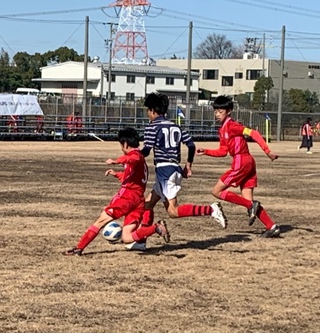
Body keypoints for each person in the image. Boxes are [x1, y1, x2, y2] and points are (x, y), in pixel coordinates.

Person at [64, 127, 168, 256]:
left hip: (127, 198)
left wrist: (116, 161)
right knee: (127, 238)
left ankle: (79, 248)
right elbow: (130, 176)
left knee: (100, 221)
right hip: (138, 200)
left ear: (125, 144)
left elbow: (132, 159)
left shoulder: (135, 156)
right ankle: (155, 228)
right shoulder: (140, 158)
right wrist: (116, 174)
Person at [139, 93, 228, 239]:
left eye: (148, 111)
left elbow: (146, 150)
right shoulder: (176, 126)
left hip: (164, 171)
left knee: (173, 212)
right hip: (174, 169)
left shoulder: (152, 127)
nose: (148, 114)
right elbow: (191, 145)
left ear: (153, 110)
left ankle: (211, 210)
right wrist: (188, 166)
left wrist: (131, 156)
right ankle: (141, 239)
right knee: (147, 204)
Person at [196, 95, 281, 238]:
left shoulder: (232, 125)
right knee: (248, 200)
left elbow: (253, 133)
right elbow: (223, 152)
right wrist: (206, 151)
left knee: (216, 191)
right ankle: (271, 226)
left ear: (229, 111)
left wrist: (268, 152)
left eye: (220, 111)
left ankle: (250, 206)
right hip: (248, 162)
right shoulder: (223, 129)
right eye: (215, 111)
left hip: (241, 161)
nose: (217, 114)